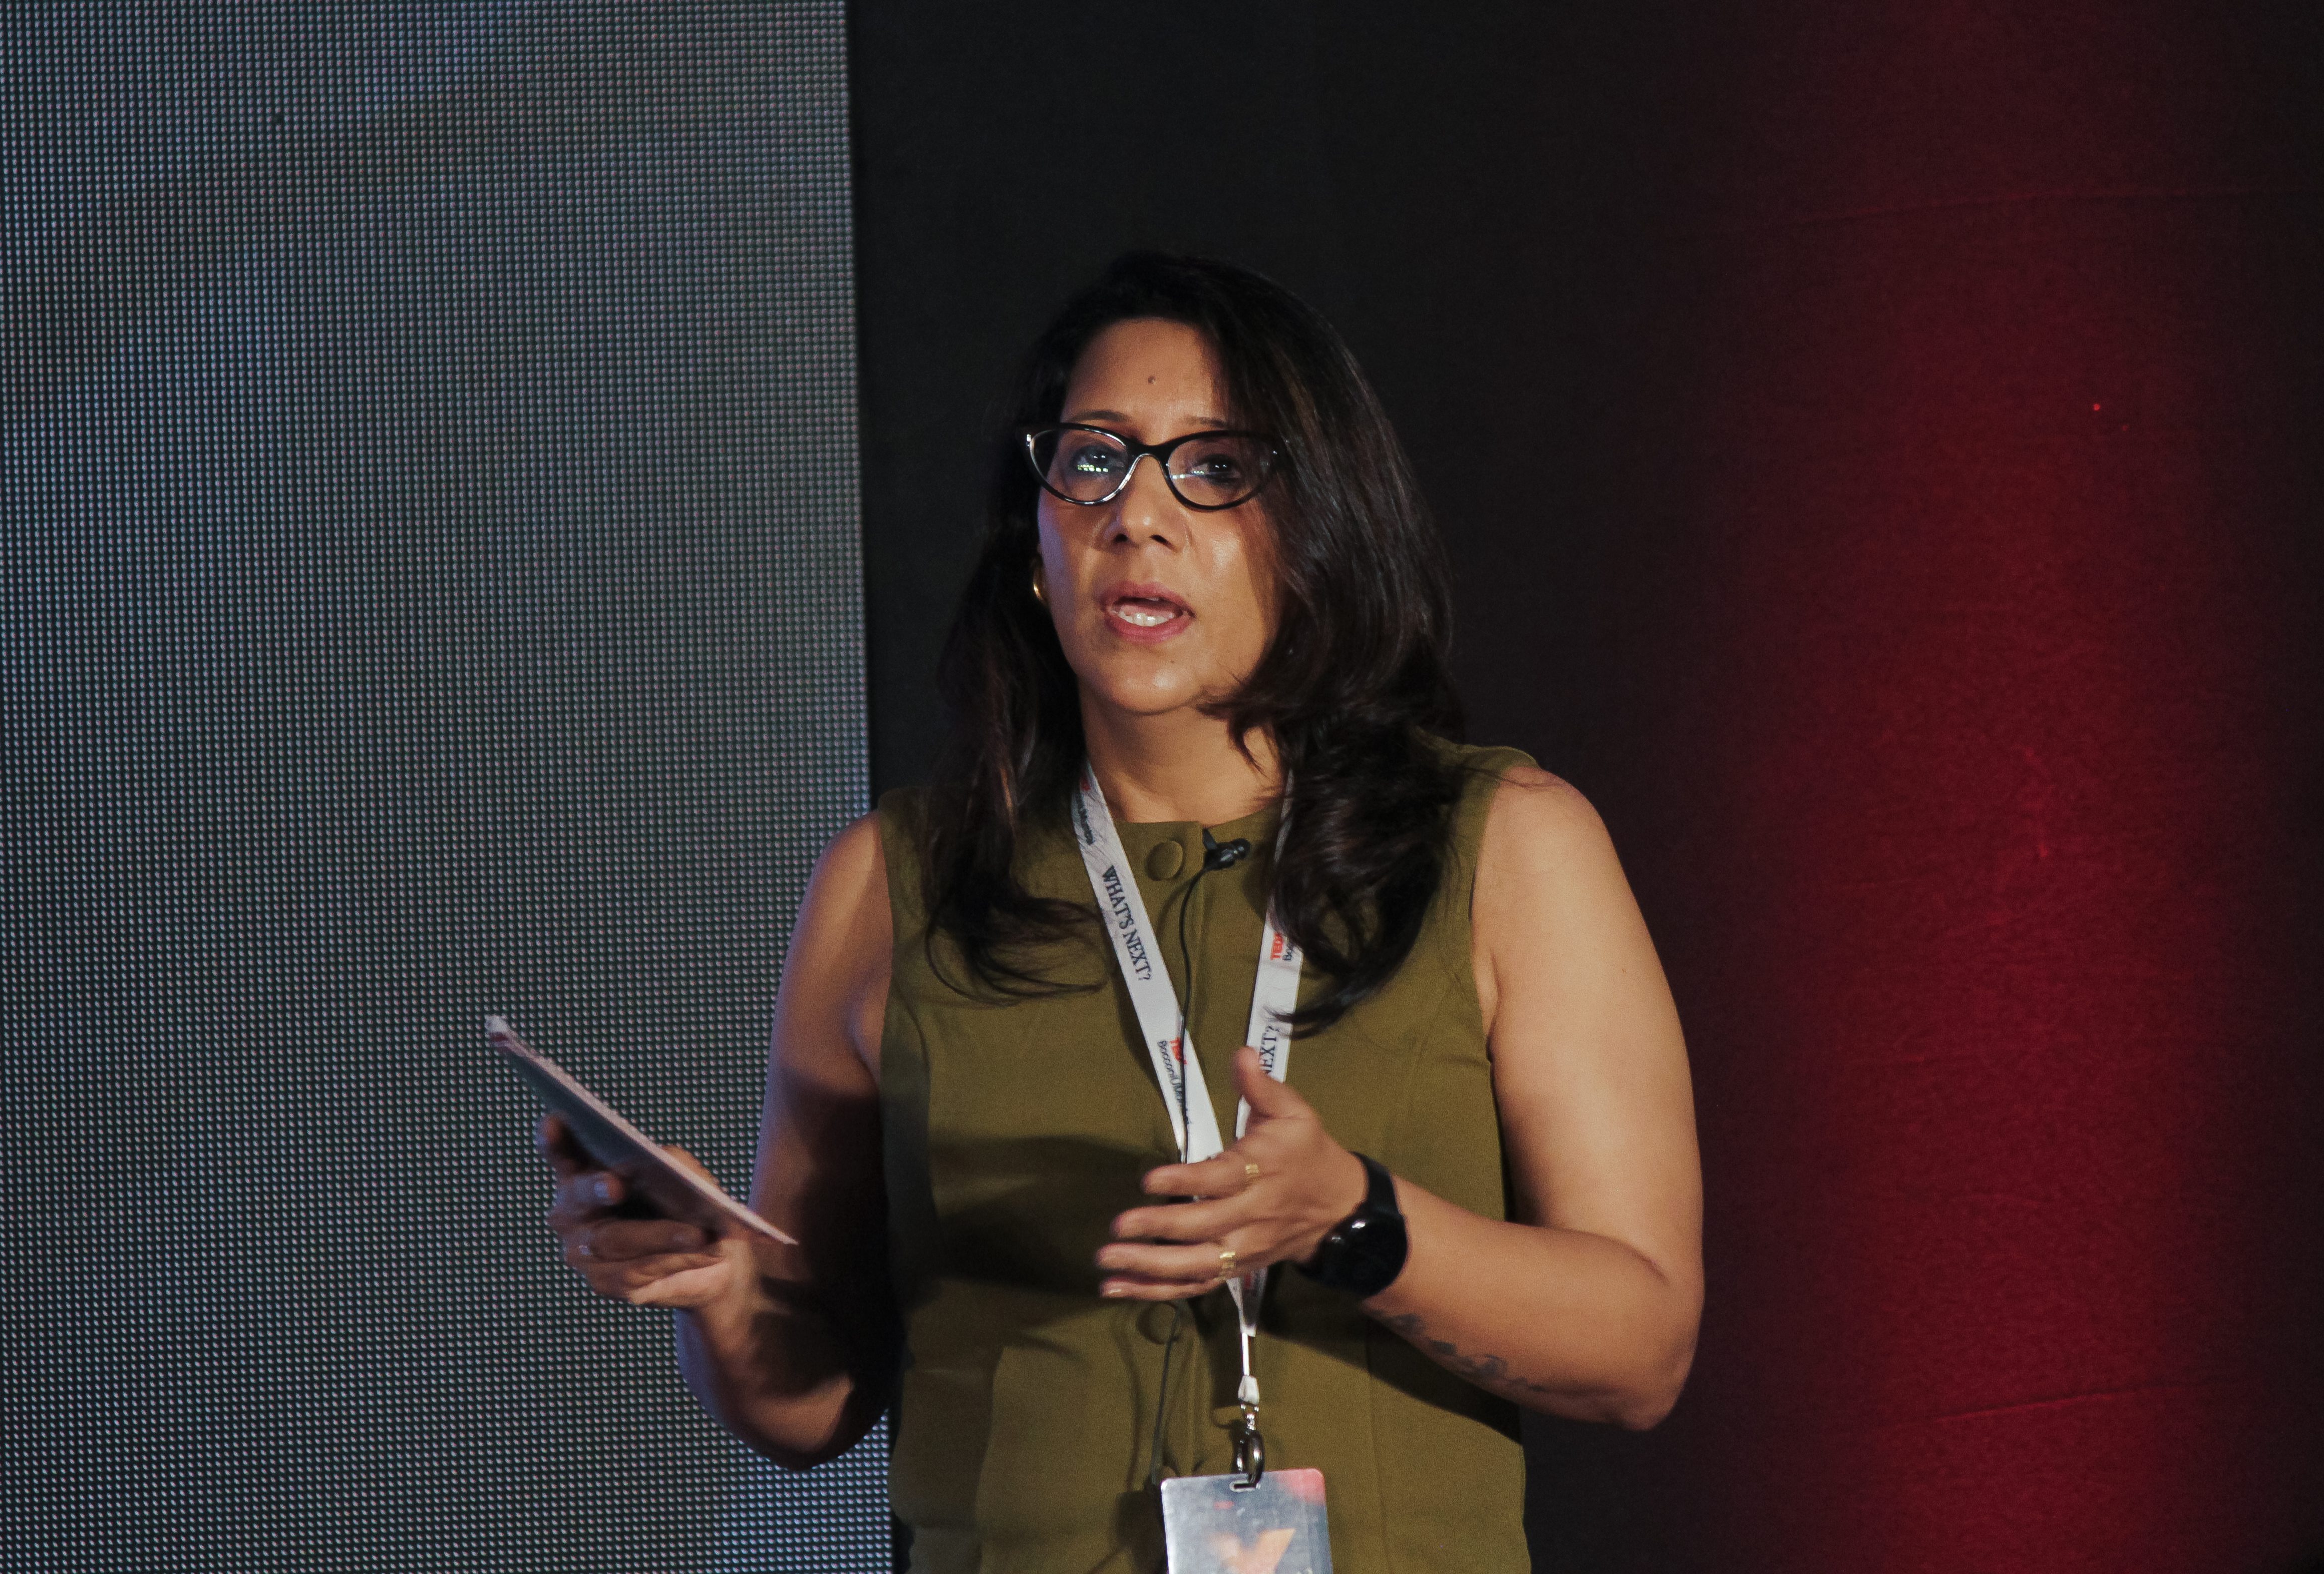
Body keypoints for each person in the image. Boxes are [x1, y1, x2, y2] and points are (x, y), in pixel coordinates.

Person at [541, 252, 1702, 1572]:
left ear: (1322, 527)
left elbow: (1641, 1351)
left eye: (1214, 467)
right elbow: (808, 1407)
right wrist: (720, 1288)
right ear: (1035, 546)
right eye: (1093, 461)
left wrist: (1349, 1219)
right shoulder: (888, 881)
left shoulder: (1504, 844)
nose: (1136, 516)